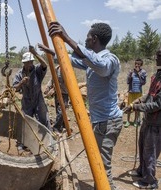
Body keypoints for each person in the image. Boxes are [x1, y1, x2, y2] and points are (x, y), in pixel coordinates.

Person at [49, 22, 123, 190]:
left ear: (94, 39)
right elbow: (70, 59)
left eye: (88, 37)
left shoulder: (110, 60)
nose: (86, 39)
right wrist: (53, 52)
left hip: (109, 122)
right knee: (98, 165)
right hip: (101, 121)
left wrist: (67, 38)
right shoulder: (92, 62)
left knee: (103, 170)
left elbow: (101, 68)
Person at [123, 47, 161, 189]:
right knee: (143, 147)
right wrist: (139, 100)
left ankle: (150, 181)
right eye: (156, 54)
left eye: (159, 55)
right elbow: (151, 94)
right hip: (148, 120)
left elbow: (157, 104)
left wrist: (136, 107)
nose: (156, 57)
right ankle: (142, 171)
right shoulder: (157, 75)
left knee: (150, 151)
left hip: (157, 123)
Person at [13, 45, 51, 130]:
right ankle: (23, 141)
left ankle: (49, 139)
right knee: (25, 121)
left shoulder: (37, 70)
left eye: (31, 62)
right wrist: (21, 83)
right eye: (27, 62)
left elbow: (45, 65)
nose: (30, 64)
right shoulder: (19, 74)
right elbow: (15, 88)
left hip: (38, 99)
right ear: (24, 63)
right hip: (26, 101)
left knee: (44, 120)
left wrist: (35, 53)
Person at [40, 44, 69, 133]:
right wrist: (48, 87)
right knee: (58, 110)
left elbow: (67, 82)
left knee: (61, 110)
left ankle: (56, 127)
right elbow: (52, 79)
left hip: (64, 93)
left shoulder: (67, 69)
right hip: (57, 93)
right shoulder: (56, 69)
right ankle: (63, 124)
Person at [124, 58, 147, 128]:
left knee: (137, 107)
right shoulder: (131, 72)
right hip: (131, 91)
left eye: (139, 64)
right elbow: (128, 82)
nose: (137, 65)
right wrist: (130, 76)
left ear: (141, 65)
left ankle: (135, 121)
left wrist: (139, 74)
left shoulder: (143, 72)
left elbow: (143, 83)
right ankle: (127, 121)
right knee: (129, 106)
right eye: (136, 64)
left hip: (138, 92)